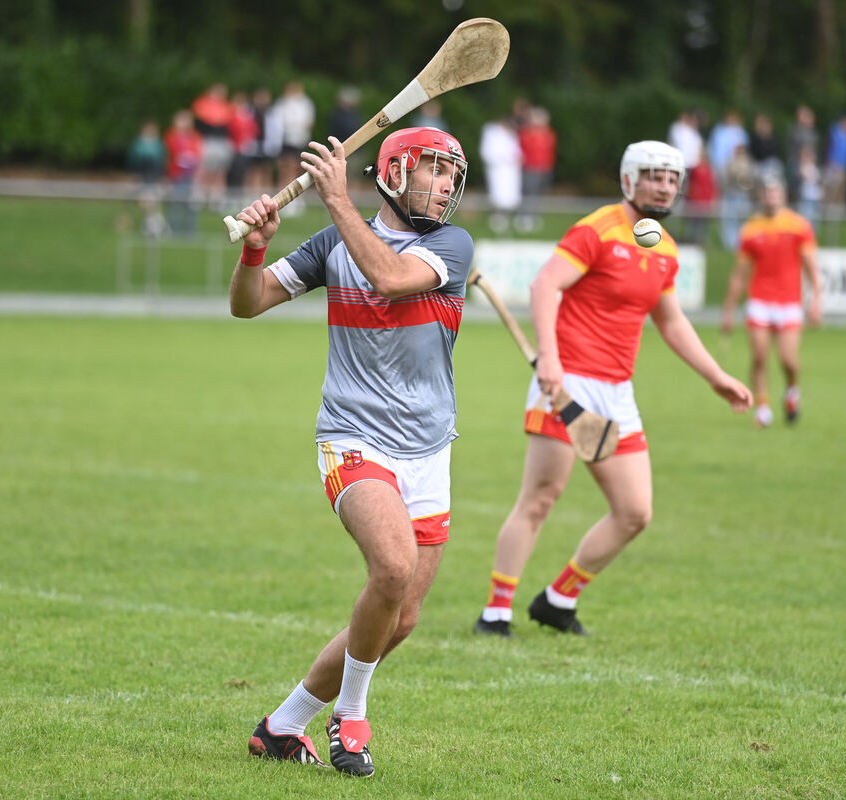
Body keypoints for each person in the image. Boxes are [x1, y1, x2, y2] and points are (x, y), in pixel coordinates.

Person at [230, 126, 474, 775]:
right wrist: (255, 250)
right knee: (392, 569)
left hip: (429, 449)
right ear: (393, 173)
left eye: (453, 174)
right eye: (434, 170)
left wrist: (337, 202)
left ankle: (281, 726)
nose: (447, 184)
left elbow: (392, 278)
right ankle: (352, 718)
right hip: (353, 439)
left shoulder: (449, 244)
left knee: (399, 619)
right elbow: (248, 304)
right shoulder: (330, 244)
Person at [472, 141, 752, 638]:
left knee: (634, 512)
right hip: (567, 385)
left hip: (616, 395)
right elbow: (544, 286)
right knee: (540, 497)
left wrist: (717, 377)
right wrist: (552, 359)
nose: (664, 186)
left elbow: (670, 322)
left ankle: (558, 600)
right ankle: (496, 611)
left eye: (671, 178)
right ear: (629, 180)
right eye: (654, 176)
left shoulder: (663, 248)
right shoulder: (597, 229)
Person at [721, 172, 822, 428]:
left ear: (783, 195)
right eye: (766, 192)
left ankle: (791, 391)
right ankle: (763, 408)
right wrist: (728, 311)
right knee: (759, 356)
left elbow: (811, 268)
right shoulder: (751, 229)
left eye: (775, 192)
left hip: (789, 302)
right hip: (760, 301)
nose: (771, 197)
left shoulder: (799, 226)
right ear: (760, 196)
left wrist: (817, 301)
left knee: (788, 360)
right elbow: (739, 274)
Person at [191, 83, 234, 210]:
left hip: (221, 141)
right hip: (207, 140)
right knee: (203, 169)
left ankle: (216, 198)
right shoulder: (202, 104)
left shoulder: (226, 107)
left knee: (220, 171)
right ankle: (199, 196)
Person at [479, 113, 522, 234]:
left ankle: (509, 217)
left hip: (510, 170)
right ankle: (497, 217)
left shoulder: (511, 134)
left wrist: (516, 158)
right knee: (497, 194)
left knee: (510, 195)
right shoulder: (491, 134)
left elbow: (516, 150)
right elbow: (487, 152)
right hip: (498, 170)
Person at [517, 105, 557, 232]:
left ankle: (534, 215)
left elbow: (550, 151)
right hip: (530, 168)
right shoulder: (526, 133)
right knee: (529, 192)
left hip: (544, 169)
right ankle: (525, 216)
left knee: (539, 193)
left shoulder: (549, 134)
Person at [163, 109, 202, 236]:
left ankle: (189, 232)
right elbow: (171, 153)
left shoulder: (195, 137)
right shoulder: (171, 136)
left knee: (191, 206)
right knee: (174, 204)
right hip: (176, 176)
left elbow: (198, 154)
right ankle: (172, 230)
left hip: (191, 177)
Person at [127, 119, 167, 237]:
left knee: (155, 203)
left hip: (155, 177)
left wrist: (163, 177)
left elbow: (161, 163)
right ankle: (150, 226)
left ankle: (157, 227)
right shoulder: (138, 145)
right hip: (143, 177)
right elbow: (134, 162)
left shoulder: (158, 145)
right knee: (146, 203)